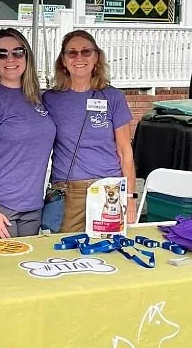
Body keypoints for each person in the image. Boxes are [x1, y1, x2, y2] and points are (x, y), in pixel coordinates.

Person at [42, 30, 137, 232]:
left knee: (108, 253)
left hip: (108, 189)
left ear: (96, 57)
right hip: (68, 191)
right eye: (72, 52)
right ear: (63, 61)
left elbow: (125, 151)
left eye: (86, 52)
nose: (79, 58)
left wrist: (130, 197)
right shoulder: (50, 99)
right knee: (66, 253)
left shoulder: (113, 96)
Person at [0, 29, 56, 239]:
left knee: (25, 269)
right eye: (1, 54)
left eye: (17, 52)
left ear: (27, 55)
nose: (10, 59)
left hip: (33, 206)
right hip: (0, 207)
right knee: (0, 270)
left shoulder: (37, 97)